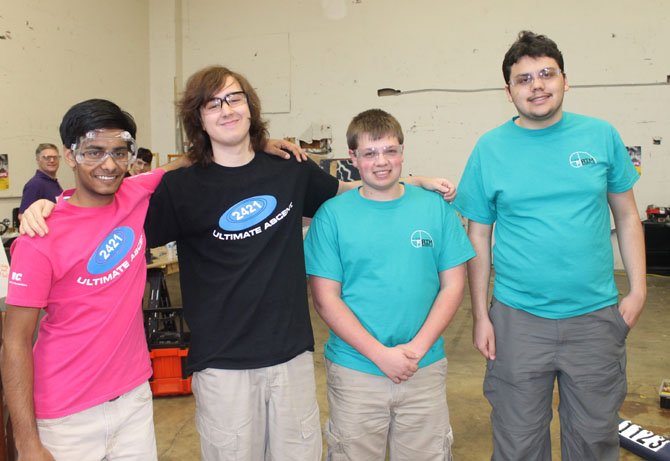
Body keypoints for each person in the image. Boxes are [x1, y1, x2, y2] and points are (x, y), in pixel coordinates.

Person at [143, 65, 456, 461]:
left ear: (250, 107)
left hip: (290, 358)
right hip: (223, 366)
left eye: (234, 98)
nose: (226, 110)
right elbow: (120, 226)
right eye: (212, 104)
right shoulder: (180, 187)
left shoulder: (288, 169)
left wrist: (415, 181)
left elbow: (353, 190)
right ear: (198, 118)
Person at [4, 99, 303, 461]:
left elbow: (191, 160)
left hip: (133, 400)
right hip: (67, 414)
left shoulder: (135, 193)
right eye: (93, 152)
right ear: (70, 156)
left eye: (120, 152)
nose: (109, 165)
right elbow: (15, 343)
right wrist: (28, 442)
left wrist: (257, 145)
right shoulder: (42, 235)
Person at [453, 31, 646, 460]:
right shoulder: (490, 148)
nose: (536, 85)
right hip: (518, 322)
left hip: (595, 318)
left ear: (565, 80)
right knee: (517, 443)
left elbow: (627, 215)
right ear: (509, 92)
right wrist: (482, 316)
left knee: (595, 440)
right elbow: (478, 235)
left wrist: (638, 291)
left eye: (546, 74)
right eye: (523, 79)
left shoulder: (600, 136)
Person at [304, 109, 475, 460]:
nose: (381, 162)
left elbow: (454, 286)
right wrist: (381, 356)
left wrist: (415, 350)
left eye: (390, 151)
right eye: (369, 153)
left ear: (402, 151)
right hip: (355, 372)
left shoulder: (435, 209)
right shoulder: (332, 216)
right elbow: (325, 299)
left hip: (423, 368)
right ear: (353, 158)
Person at [18, 143, 63, 221]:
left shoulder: (53, 182)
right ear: (38, 160)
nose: (52, 160)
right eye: (47, 157)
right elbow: (22, 217)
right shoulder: (35, 184)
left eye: (55, 157)